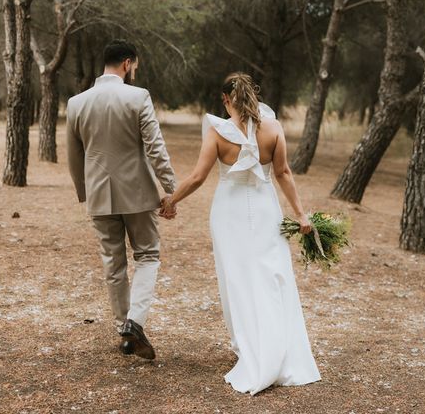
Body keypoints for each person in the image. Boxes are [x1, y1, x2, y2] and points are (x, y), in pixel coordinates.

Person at [163, 72, 321, 394]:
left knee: (237, 279)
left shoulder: (218, 132)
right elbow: (283, 173)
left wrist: (170, 201)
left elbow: (196, 177)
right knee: (272, 275)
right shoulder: (274, 129)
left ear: (225, 99)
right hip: (265, 210)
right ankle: (279, 347)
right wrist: (301, 214)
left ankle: (250, 348)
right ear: (253, 95)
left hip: (229, 213)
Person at [66, 39, 177, 360]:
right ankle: (135, 322)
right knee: (147, 256)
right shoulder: (138, 97)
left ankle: (124, 330)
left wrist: (84, 192)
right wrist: (170, 189)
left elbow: (75, 157)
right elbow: (155, 148)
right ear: (127, 64)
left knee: (113, 265)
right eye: (135, 67)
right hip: (138, 195)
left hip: (99, 195)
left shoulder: (76, 103)